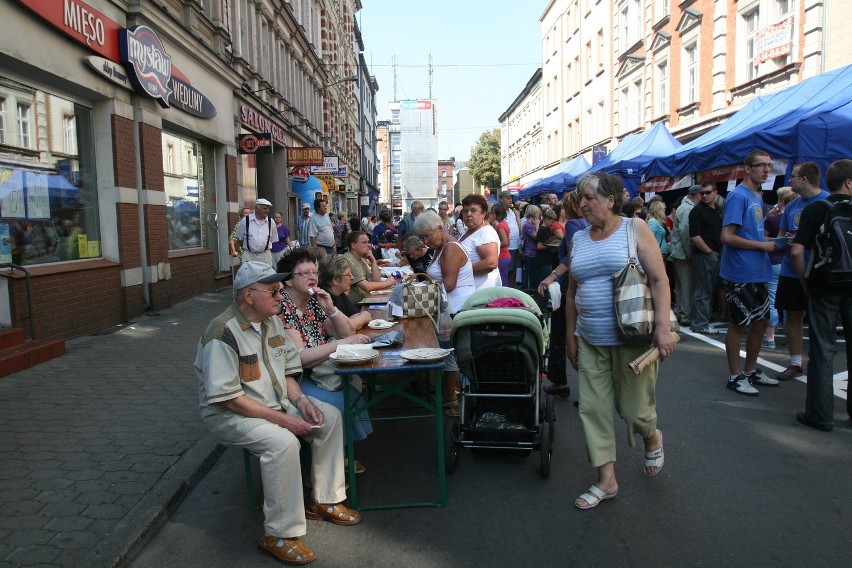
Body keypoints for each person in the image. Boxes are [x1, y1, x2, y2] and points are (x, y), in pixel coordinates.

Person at [195, 261, 360, 565]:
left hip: (274, 401)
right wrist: (285, 421)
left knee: (330, 417)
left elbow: (286, 372)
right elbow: (229, 399)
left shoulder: (270, 321)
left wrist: (303, 403)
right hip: (233, 413)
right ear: (247, 295)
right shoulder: (222, 332)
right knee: (283, 443)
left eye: (279, 287)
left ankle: (326, 499)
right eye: (272, 290)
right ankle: (278, 533)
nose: (279, 294)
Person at [564, 173, 674, 510]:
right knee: (593, 410)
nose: (583, 204)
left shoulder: (634, 229)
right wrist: (570, 335)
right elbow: (571, 293)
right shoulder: (579, 239)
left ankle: (651, 434)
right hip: (591, 340)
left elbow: (659, 278)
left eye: (590, 197)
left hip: (633, 339)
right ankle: (606, 481)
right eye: (580, 198)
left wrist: (663, 327)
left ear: (611, 200)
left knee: (633, 410)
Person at [277, 250, 374, 467]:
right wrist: (341, 344)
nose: (312, 277)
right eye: (305, 273)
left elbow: (346, 332)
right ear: (289, 281)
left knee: (353, 394)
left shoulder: (312, 301)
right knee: (342, 401)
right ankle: (320, 464)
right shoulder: (283, 306)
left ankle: (337, 457)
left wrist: (331, 309)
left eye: (315, 272)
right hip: (296, 379)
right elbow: (300, 359)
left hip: (320, 373)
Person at [790, 159, 852, 431]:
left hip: (824, 286)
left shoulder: (817, 210)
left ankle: (820, 414)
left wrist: (805, 281)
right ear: (849, 183)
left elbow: (796, 251)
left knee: (823, 350)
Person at [720, 150, 780, 395]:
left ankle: (751, 370)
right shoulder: (738, 196)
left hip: (758, 270)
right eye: (761, 165)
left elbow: (750, 234)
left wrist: (775, 240)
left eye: (769, 165)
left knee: (762, 321)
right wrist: (762, 245)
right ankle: (735, 376)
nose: (766, 170)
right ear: (748, 168)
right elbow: (727, 236)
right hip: (740, 272)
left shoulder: (755, 196)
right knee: (738, 324)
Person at [414, 210, 476, 416]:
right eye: (422, 237)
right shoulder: (441, 247)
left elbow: (448, 284)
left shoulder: (450, 249)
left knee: (449, 353)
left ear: (440, 228)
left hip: (455, 310)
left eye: (428, 236)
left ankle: (450, 400)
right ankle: (448, 395)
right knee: (447, 353)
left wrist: (421, 288)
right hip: (448, 309)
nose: (425, 241)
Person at [774, 163, 829, 381]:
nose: (790, 181)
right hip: (790, 270)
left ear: (804, 179)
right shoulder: (792, 206)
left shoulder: (825, 203)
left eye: (793, 177)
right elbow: (781, 236)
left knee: (819, 318)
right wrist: (785, 241)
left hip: (817, 271)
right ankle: (795, 362)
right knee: (792, 315)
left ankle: (819, 362)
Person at [537, 190, 590, 399]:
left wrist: (551, 276)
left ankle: (560, 381)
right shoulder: (591, 224)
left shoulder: (574, 225)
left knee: (560, 334)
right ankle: (591, 390)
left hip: (572, 284)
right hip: (587, 285)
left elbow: (570, 257)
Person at [688, 182, 723, 334]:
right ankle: (699, 324)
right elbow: (694, 236)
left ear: (715, 193)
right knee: (703, 291)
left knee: (708, 290)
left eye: (708, 192)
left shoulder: (718, 210)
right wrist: (709, 252)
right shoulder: (697, 211)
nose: (704, 195)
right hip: (704, 255)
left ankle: (702, 321)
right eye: (702, 193)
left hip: (715, 253)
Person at [763, 187, 795, 348]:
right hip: (790, 263)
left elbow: (763, 238)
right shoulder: (796, 218)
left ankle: (770, 337)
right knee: (791, 302)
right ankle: (790, 336)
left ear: (782, 200)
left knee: (773, 299)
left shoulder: (773, 219)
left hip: (775, 261)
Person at [457, 194, 501, 290]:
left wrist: (459, 271)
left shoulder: (485, 232)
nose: (468, 214)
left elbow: (491, 263)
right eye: (465, 211)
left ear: (483, 213)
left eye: (473, 210)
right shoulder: (472, 230)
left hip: (479, 293)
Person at [670, 185, 700, 326]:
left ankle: (682, 312)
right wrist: (689, 252)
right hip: (683, 253)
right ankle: (686, 315)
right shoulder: (688, 209)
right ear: (696, 195)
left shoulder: (682, 207)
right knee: (686, 286)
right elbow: (686, 232)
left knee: (681, 286)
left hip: (677, 252)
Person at [318, 254, 373, 329]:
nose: (352, 278)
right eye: (348, 274)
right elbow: (345, 329)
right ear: (335, 280)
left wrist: (354, 322)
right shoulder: (322, 299)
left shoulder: (340, 294)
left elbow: (357, 315)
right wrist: (362, 318)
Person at [342, 231, 396, 304]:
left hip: (365, 300)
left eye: (368, 242)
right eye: (364, 242)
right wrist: (387, 283)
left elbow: (375, 280)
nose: (369, 245)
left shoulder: (360, 259)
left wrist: (373, 261)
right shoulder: (349, 260)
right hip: (355, 307)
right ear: (353, 245)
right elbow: (366, 286)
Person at [233, 198, 278, 267]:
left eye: (268, 209)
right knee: (249, 276)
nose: (268, 211)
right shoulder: (245, 221)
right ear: (256, 209)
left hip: (265, 255)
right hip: (249, 255)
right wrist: (249, 248)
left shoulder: (271, 222)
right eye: (265, 208)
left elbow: (273, 239)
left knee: (266, 276)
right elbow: (240, 239)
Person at [520, 205, 541, 289]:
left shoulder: (530, 224)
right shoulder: (527, 225)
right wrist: (537, 225)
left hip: (535, 253)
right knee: (532, 277)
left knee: (535, 276)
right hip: (530, 253)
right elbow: (536, 236)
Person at [493, 204, 512, 286]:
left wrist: (494, 245)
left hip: (502, 256)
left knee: (502, 280)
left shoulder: (500, 225)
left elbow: (505, 242)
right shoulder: (504, 223)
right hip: (506, 255)